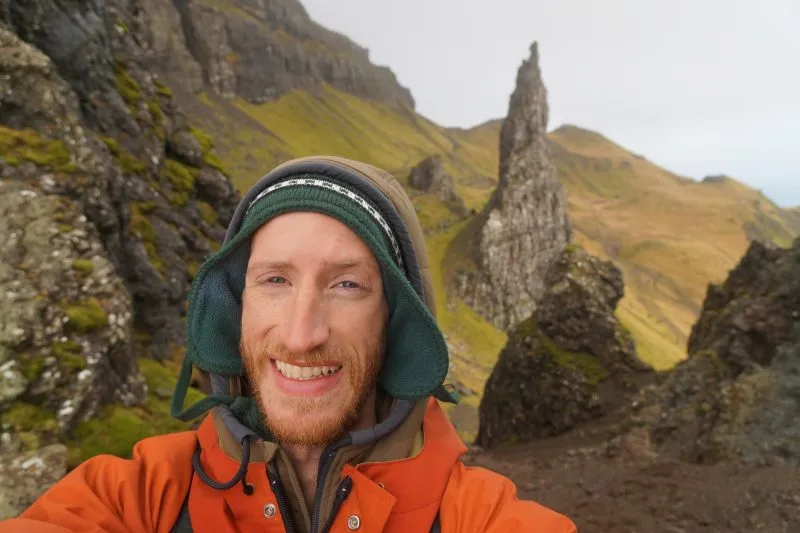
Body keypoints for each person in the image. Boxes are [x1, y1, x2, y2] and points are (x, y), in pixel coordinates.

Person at [0, 156, 577, 533]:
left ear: (396, 322)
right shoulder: (137, 498)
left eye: (346, 285)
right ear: (236, 309)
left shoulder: (479, 517)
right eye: (274, 280)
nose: (302, 336)